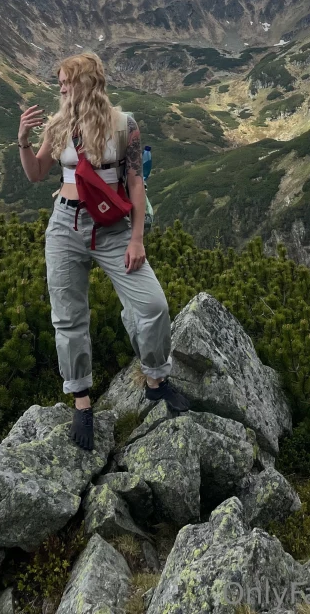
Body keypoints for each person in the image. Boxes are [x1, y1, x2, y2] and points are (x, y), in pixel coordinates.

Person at [17, 51, 190, 450]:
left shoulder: (124, 125)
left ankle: (155, 379)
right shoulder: (58, 126)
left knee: (152, 307)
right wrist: (23, 141)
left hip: (113, 229)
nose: (59, 88)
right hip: (65, 224)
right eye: (59, 82)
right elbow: (36, 174)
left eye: (65, 81)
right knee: (68, 315)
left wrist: (137, 239)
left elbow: (135, 184)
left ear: (86, 82)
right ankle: (81, 400)